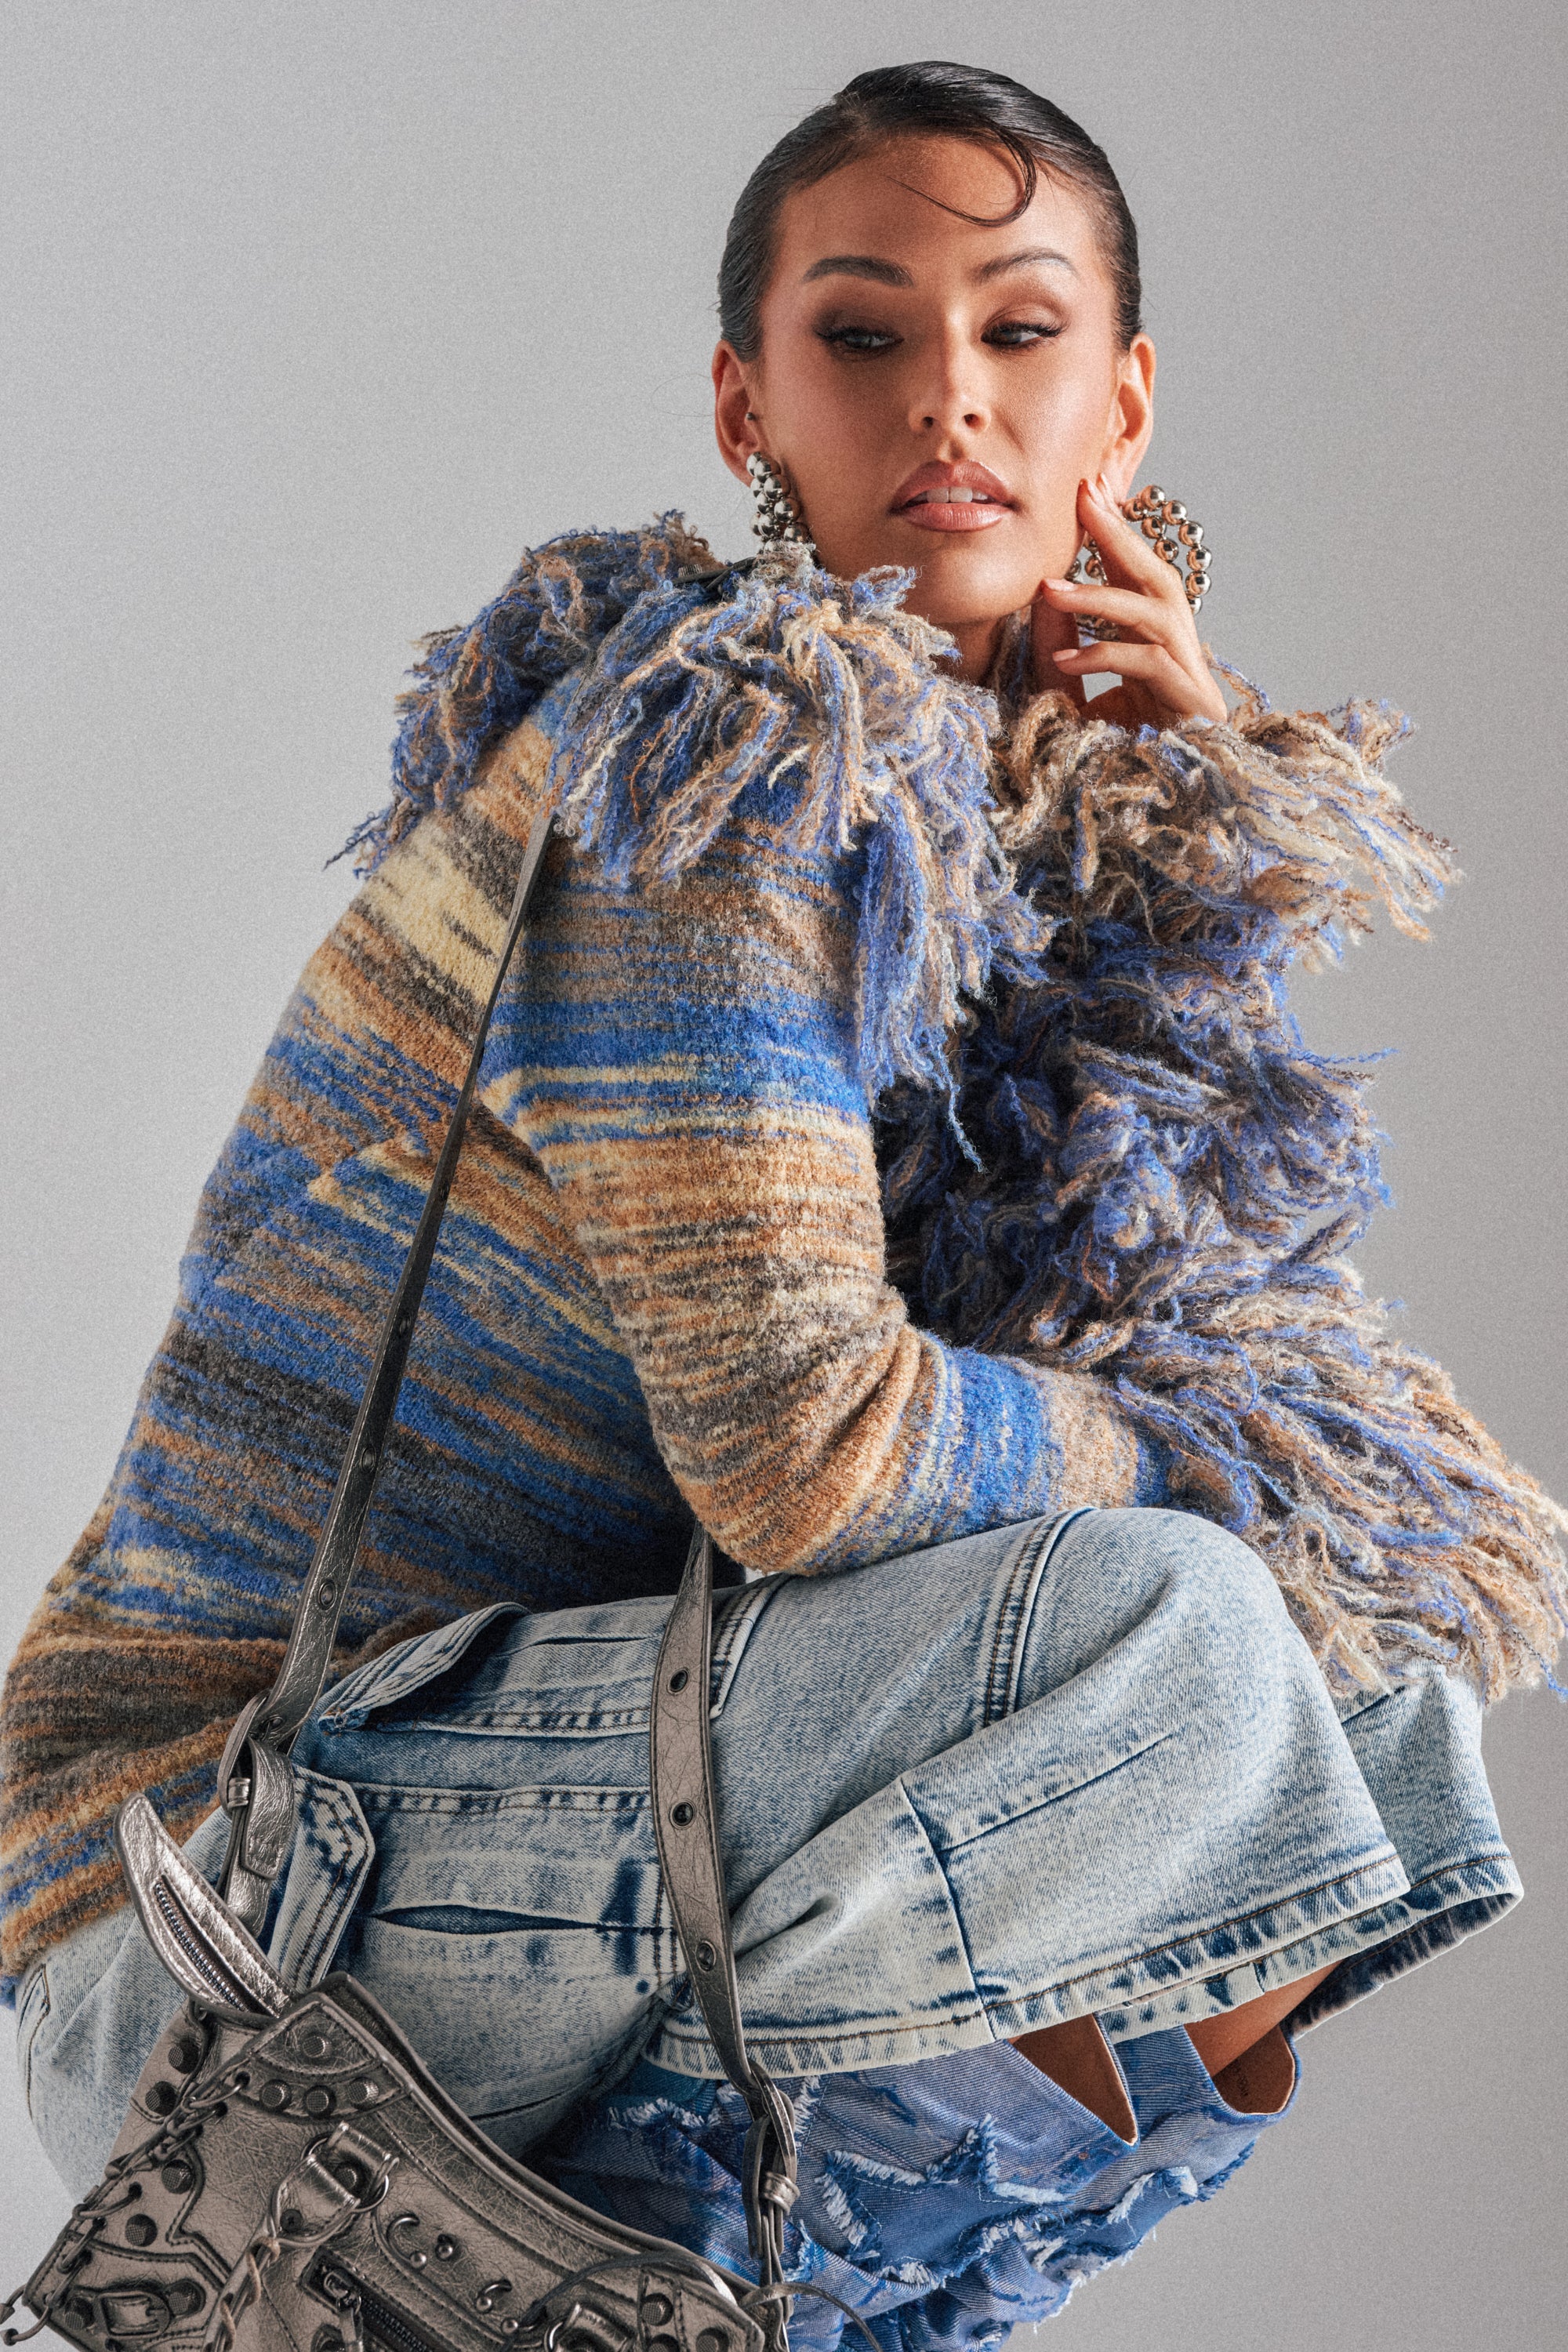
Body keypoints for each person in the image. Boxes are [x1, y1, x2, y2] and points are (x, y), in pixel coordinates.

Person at [5, 60, 1563, 2343]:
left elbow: (1183, 1328)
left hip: (519, 1839)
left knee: (1386, 1712)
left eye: (1021, 335)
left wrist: (1168, 859)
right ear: (748, 406)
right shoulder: (720, 767)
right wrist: (1211, 1473)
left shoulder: (996, 838)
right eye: (865, 334)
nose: (949, 396)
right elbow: (808, 1453)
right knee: (1196, 1631)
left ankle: (731, 2294)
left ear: (1120, 411)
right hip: (213, 1936)